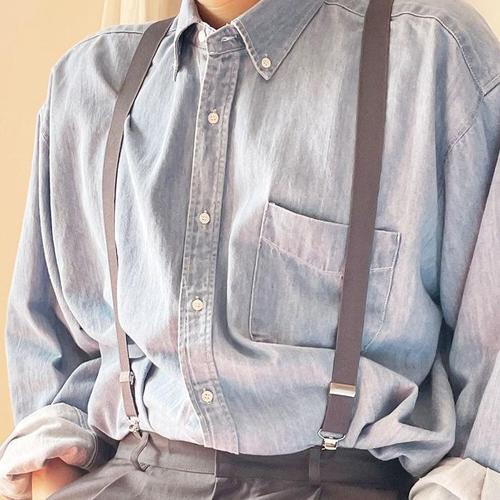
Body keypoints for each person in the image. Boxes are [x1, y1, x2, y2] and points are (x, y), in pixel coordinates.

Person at [0, 0, 499, 498]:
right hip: (131, 471)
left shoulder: (432, 55)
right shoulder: (90, 81)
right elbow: (52, 351)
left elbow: (489, 370)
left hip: (346, 478)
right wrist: (52, 480)